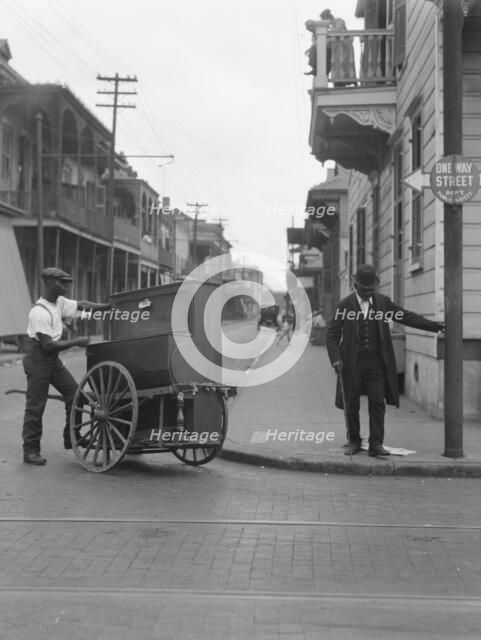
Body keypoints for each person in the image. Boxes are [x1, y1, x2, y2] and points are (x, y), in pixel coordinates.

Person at [326, 265, 445, 457]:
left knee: (377, 402)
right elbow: (331, 335)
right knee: (351, 402)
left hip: (376, 362)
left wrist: (434, 326)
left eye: (371, 289)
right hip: (351, 363)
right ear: (355, 286)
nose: (368, 293)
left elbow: (406, 316)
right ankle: (354, 440)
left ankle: (376, 444)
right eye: (364, 290)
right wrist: (336, 359)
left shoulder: (382, 303)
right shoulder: (344, 305)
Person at [22, 267, 110, 465]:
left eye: (67, 282)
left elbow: (82, 305)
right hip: (38, 360)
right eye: (62, 283)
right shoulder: (38, 312)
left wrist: (107, 307)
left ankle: (71, 437)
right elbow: (48, 345)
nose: (66, 286)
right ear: (49, 283)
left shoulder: (59, 302)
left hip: (52, 360)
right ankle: (30, 451)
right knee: (36, 407)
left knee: (76, 395)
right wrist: (76, 341)